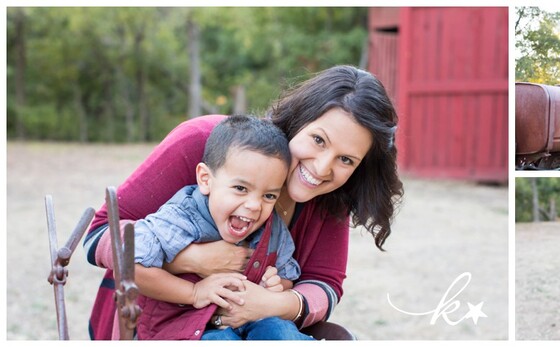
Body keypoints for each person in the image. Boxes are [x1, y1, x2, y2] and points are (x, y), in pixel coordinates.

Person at [83, 65, 403, 340]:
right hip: (150, 324)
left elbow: (325, 283)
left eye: (346, 159)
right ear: (298, 120)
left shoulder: (332, 195)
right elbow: (99, 235)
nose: (322, 168)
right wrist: (190, 259)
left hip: (255, 326)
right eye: (318, 140)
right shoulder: (209, 143)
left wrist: (272, 301)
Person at [127, 116, 312, 340]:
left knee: (282, 332)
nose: (254, 205)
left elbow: (286, 276)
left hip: (247, 319)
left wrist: (273, 286)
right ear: (205, 179)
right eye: (240, 188)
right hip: (181, 327)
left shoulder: (273, 229)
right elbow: (132, 269)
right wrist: (194, 292)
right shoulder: (179, 219)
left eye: (269, 195)